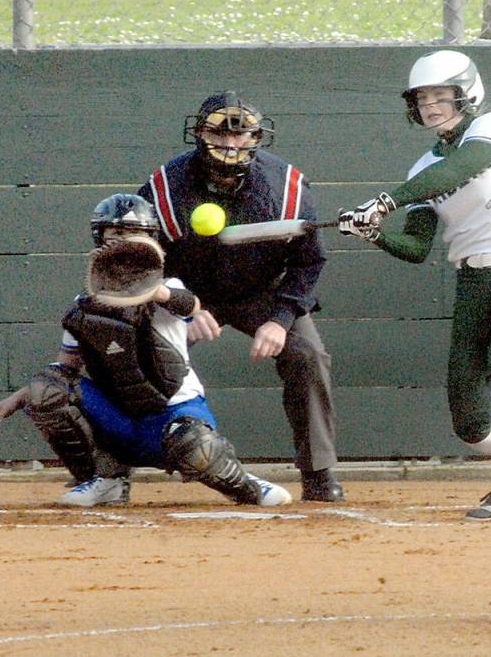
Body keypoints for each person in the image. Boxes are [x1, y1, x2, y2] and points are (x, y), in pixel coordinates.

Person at [338, 50, 491, 521]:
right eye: (423, 98)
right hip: (475, 281)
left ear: (468, 92)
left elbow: (462, 168)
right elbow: (417, 245)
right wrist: (374, 232)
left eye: (442, 94)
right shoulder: (422, 167)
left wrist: (386, 202)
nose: (432, 105)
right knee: (467, 419)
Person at [0, 194, 292, 508]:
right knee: (45, 390)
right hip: (118, 418)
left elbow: (190, 304)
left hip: (173, 413)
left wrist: (153, 289)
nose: (125, 242)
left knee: (198, 449)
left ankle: (247, 485)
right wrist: (19, 397)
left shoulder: (168, 286)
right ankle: (106, 480)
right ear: (99, 238)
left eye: (135, 234)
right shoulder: (85, 305)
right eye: (115, 234)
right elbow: (66, 368)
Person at [136, 91, 344, 502]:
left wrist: (280, 319)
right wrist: (182, 305)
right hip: (187, 294)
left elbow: (309, 262)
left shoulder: (285, 186)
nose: (232, 143)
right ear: (198, 133)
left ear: (257, 136)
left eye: (243, 133)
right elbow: (143, 261)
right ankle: (111, 471)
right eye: (219, 132)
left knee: (307, 354)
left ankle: (319, 474)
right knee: (127, 350)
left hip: (261, 292)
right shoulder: (164, 187)